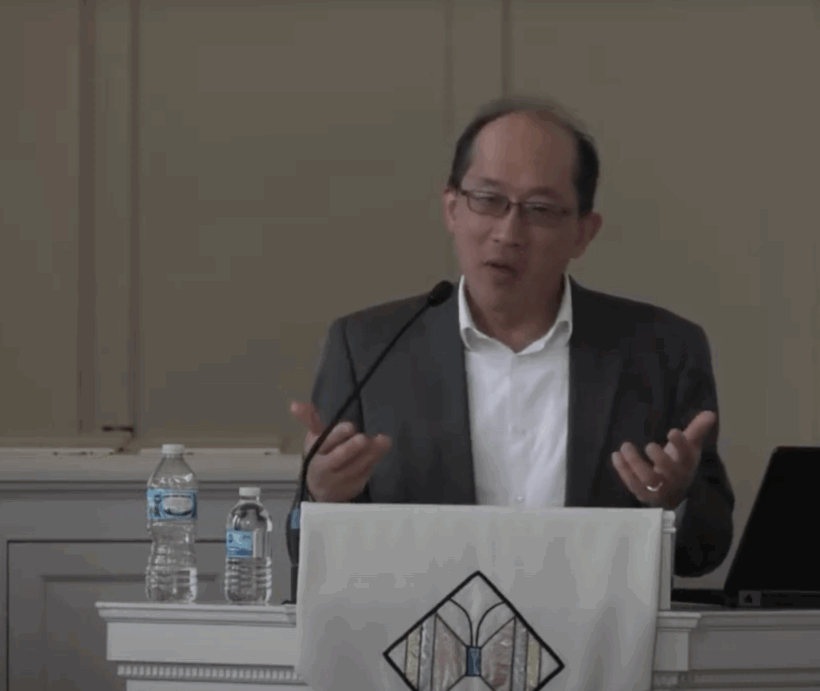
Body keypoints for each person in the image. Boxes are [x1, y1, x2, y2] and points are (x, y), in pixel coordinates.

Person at [286, 97, 734, 578]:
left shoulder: (662, 350)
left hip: (602, 644)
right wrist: (322, 498)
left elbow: (705, 550)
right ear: (452, 208)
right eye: (488, 200)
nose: (508, 232)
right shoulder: (369, 347)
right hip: (423, 644)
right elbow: (306, 554)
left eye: (540, 209)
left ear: (584, 232)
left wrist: (670, 503)